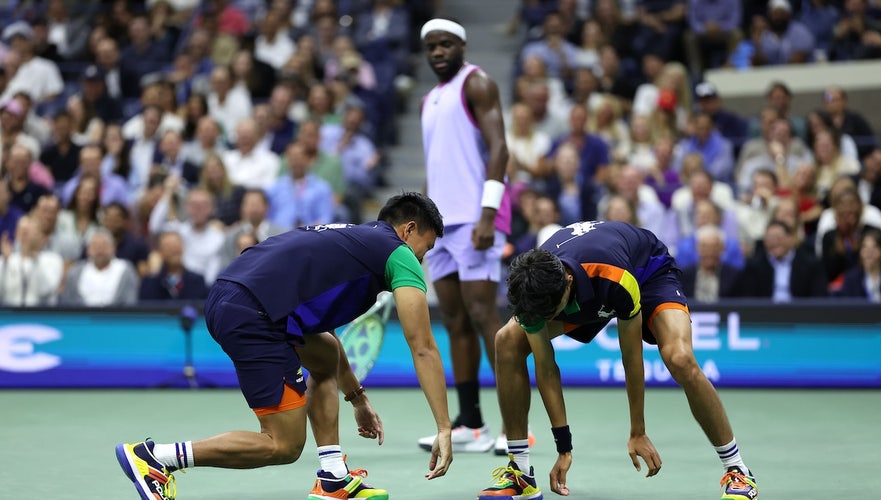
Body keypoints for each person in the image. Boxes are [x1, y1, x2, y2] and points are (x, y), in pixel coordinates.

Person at [116, 192, 453, 500]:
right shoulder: (398, 253)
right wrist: (444, 427)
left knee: (325, 356)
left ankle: (333, 476)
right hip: (254, 312)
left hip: (237, 297)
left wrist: (357, 398)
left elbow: (325, 333)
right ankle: (156, 458)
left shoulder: (353, 241)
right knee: (284, 444)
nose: (423, 258)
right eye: (427, 247)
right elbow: (422, 346)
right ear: (408, 230)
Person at [476, 220, 758, 500]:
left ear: (567, 284)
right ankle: (520, 474)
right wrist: (564, 447)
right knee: (507, 340)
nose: (547, 321)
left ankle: (738, 471)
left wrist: (638, 430)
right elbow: (547, 369)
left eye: (550, 313)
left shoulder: (615, 278)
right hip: (581, 292)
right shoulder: (534, 296)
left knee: (680, 358)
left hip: (646, 274)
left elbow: (631, 357)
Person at [417, 18, 513, 453]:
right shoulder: (430, 100)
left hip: (477, 220)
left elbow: (499, 148)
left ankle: (517, 425)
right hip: (441, 224)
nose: (438, 52)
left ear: (462, 45)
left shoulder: (478, 84)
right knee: (454, 319)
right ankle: (471, 422)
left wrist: (488, 215)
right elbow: (437, 167)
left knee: (483, 314)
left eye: (445, 45)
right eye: (431, 47)